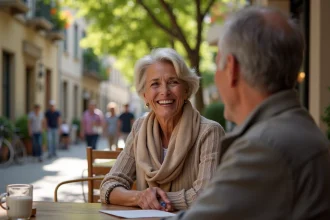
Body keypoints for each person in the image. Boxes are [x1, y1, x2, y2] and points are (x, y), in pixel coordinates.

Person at [166, 6, 330, 220]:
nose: (216, 77)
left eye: (217, 65)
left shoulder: (264, 148)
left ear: (232, 69)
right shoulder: (297, 128)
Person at [100, 48, 225, 211]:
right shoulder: (139, 129)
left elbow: (207, 195)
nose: (164, 92)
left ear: (186, 89)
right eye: (155, 84)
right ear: (145, 95)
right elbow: (109, 185)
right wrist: (140, 197)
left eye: (173, 82)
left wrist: (155, 199)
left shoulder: (210, 132)